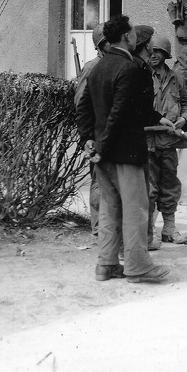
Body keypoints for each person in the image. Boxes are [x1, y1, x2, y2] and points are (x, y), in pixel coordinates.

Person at [77, 14, 170, 284]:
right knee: (136, 210)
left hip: (103, 155)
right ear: (127, 37)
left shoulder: (99, 66)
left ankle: (106, 265)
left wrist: (90, 142)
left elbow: (85, 107)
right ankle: (138, 267)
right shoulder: (129, 69)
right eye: (132, 34)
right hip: (125, 153)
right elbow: (119, 113)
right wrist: (102, 146)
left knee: (109, 209)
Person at [146, 34, 187, 249]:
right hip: (147, 142)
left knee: (170, 187)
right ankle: (147, 233)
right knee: (149, 189)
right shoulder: (142, 76)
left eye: (159, 52)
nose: (154, 55)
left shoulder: (176, 78)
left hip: (168, 143)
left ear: (165, 55)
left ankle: (169, 229)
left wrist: (183, 119)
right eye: (151, 51)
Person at [74, 23, 108, 238]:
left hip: (112, 133)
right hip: (97, 133)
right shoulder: (92, 66)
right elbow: (81, 102)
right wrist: (88, 135)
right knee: (98, 181)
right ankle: (97, 227)